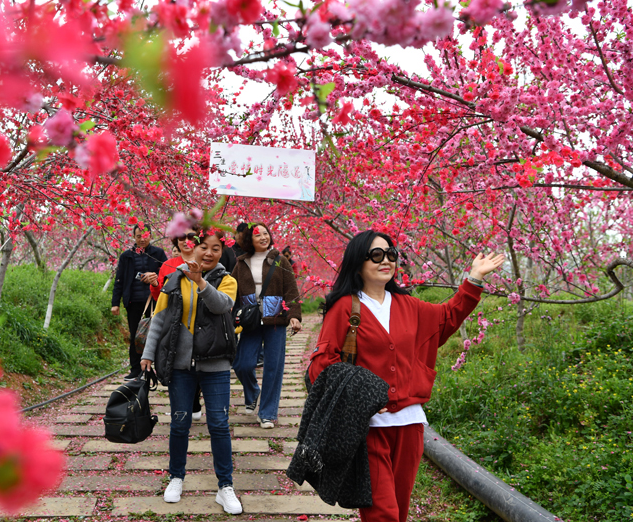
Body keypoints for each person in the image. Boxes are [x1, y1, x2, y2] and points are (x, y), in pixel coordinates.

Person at [307, 230, 504, 522]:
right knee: (381, 513)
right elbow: (321, 366)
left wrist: (473, 279)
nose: (385, 260)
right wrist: (363, 397)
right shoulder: (345, 307)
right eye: (376, 255)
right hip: (367, 428)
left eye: (391, 254)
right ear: (358, 262)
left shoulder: (408, 305)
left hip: (410, 425)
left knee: (399, 511)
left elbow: (447, 318)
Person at [140, 230, 242, 515]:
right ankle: (176, 477)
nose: (209, 253)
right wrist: (148, 354)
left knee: (219, 425)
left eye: (216, 248)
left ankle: (225, 486)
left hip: (216, 364)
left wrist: (200, 282)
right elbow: (159, 318)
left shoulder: (228, 280)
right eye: (203, 247)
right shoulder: (175, 278)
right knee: (180, 423)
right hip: (181, 365)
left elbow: (222, 306)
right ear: (193, 248)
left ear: (223, 252)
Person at [231, 222, 302, 429]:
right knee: (242, 364)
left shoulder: (280, 261)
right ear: (249, 240)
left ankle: (268, 413)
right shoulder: (241, 263)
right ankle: (253, 391)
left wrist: (294, 316)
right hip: (250, 321)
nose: (263, 237)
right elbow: (233, 293)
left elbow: (291, 290)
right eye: (257, 235)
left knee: (274, 367)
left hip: (275, 322)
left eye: (265, 233)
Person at [150, 227, 204, 422]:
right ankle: (181, 406)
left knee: (196, 363)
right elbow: (160, 298)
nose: (185, 241)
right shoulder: (168, 265)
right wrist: (155, 285)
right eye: (181, 237)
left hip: (199, 323)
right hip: (174, 324)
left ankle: (195, 400)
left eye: (190, 237)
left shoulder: (204, 263)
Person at [111, 224, 167, 381]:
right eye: (138, 236)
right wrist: (115, 303)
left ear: (150, 235)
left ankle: (158, 369)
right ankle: (136, 370)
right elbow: (119, 280)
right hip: (133, 302)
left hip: (155, 301)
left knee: (157, 335)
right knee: (136, 336)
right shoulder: (126, 256)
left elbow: (167, 274)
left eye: (145, 235)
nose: (142, 239)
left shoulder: (158, 253)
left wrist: (154, 276)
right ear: (134, 237)